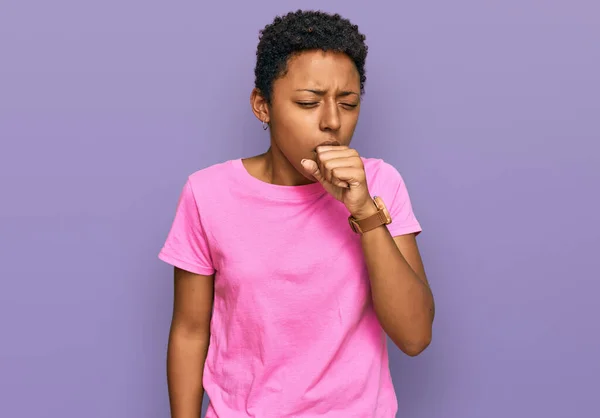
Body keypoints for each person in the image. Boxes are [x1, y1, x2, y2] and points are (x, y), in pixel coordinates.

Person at [158, 9, 435, 418]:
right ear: (262, 106)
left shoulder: (381, 184)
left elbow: (414, 336)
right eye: (308, 102)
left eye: (348, 103)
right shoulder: (208, 193)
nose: (332, 122)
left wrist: (363, 211)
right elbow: (189, 331)